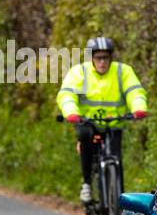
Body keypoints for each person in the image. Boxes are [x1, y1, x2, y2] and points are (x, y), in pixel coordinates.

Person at [56, 37, 148, 202]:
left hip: (114, 123)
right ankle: (86, 184)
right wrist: (71, 112)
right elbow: (67, 95)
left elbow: (135, 92)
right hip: (88, 123)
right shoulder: (79, 72)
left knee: (116, 160)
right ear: (91, 58)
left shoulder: (123, 71)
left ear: (111, 58)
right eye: (98, 58)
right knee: (85, 138)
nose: (102, 62)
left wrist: (138, 108)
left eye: (106, 57)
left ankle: (117, 201)